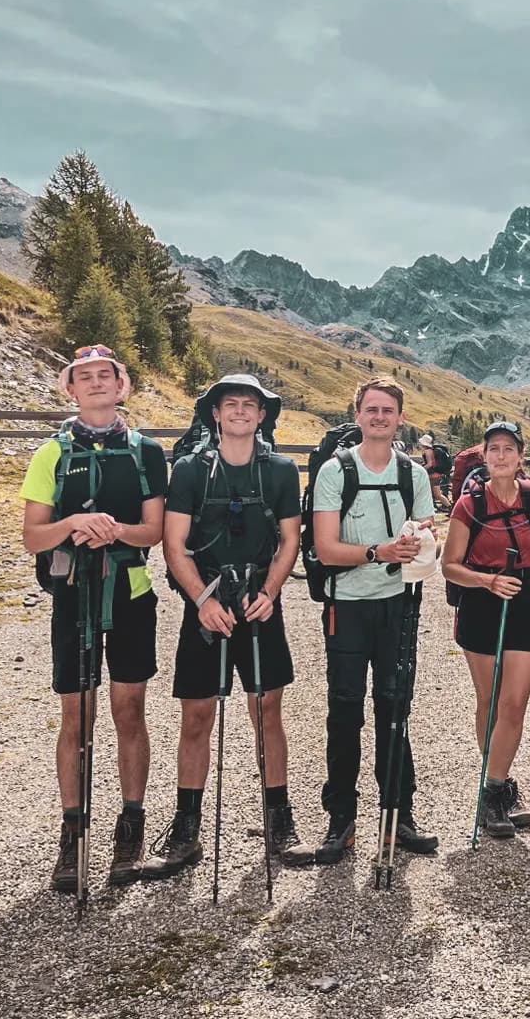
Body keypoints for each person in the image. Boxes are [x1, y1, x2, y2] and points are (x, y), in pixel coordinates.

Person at [140, 373, 311, 880]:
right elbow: (173, 544)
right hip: (206, 608)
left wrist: (270, 593)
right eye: (230, 403)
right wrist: (201, 600)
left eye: (249, 404)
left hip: (260, 605)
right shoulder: (189, 470)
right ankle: (186, 829)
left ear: (262, 415)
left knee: (267, 712)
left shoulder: (281, 471)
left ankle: (280, 822)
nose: (239, 410)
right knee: (196, 717)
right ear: (215, 414)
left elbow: (290, 540)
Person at [19, 345, 168, 893]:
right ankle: (73, 832)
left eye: (107, 375)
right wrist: (74, 524)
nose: (97, 383)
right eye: (86, 377)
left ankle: (131, 826)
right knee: (76, 716)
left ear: (122, 385)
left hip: (130, 592)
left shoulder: (147, 452)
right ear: (71, 389)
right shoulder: (51, 454)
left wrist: (114, 531)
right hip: (73, 595)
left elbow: (154, 531)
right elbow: (34, 535)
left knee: (129, 711)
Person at [309, 376, 440, 863]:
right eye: (372, 409)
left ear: (400, 418)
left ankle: (398, 815)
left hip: (398, 605)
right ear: (358, 415)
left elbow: (426, 537)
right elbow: (325, 549)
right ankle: (341, 819)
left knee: (395, 707)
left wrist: (418, 544)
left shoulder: (414, 475)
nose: (380, 417)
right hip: (346, 605)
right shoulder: (334, 471)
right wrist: (378, 551)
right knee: (345, 710)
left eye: (388, 410)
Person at [440, 420, 530, 839]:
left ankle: (493, 788)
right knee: (489, 699)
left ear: (521, 456)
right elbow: (449, 566)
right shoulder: (468, 505)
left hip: (527, 603)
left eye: (509, 449)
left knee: (514, 702)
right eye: (494, 449)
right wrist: (487, 581)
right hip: (481, 603)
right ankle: (500, 784)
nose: (501, 456)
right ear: (484, 456)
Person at [417, 434, 451, 509]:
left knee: (437, 495)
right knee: (435, 494)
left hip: (432, 475)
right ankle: (448, 507)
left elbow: (430, 464)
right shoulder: (431, 450)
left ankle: (450, 507)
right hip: (435, 474)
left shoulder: (427, 451)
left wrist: (420, 469)